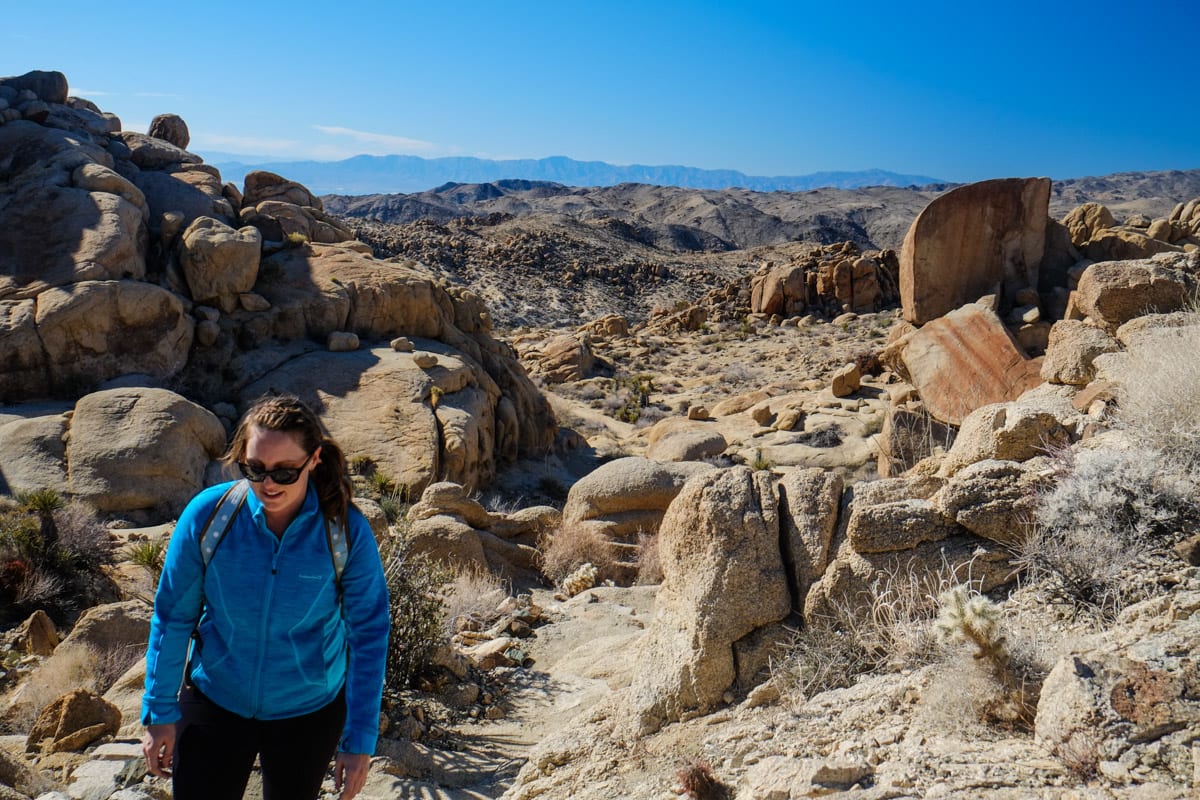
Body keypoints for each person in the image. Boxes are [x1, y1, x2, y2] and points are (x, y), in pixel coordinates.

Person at [141, 395, 390, 800]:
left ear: (314, 460)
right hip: (217, 695)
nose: (268, 484)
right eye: (254, 469)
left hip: (308, 709)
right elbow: (173, 616)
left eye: (285, 472)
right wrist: (159, 712)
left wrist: (359, 740)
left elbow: (368, 634)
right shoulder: (209, 517)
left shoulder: (344, 532)